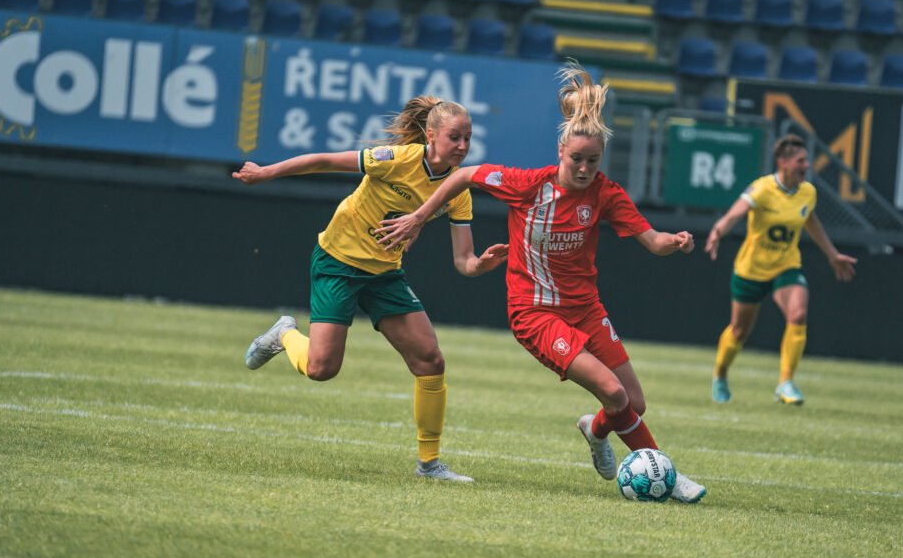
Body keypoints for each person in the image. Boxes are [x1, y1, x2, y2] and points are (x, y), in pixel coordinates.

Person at [375, 64, 707, 503]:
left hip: (585, 308)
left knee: (632, 403)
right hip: (535, 313)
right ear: (560, 151)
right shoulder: (529, 185)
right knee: (611, 391)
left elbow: (652, 240)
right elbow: (463, 176)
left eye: (593, 161)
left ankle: (594, 430)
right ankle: (667, 473)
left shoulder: (606, 193)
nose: (585, 168)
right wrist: (420, 216)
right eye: (577, 160)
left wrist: (675, 241)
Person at [232, 97, 509, 482]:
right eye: (454, 137)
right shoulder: (395, 158)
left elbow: (463, 261)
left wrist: (481, 265)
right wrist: (265, 173)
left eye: (468, 138)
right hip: (339, 263)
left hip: (384, 274)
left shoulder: (457, 189)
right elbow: (324, 161)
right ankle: (284, 334)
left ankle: (429, 465)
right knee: (321, 369)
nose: (463, 146)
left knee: (430, 361)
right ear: (431, 136)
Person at [704, 134, 857, 405]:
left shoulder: (808, 192)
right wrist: (718, 231)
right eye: (800, 161)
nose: (806, 165)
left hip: (786, 266)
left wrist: (832, 254)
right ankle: (720, 376)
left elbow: (810, 221)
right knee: (739, 331)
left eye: (807, 160)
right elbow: (735, 214)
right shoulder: (762, 189)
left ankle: (785, 383)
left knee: (798, 314)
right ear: (783, 162)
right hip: (751, 269)